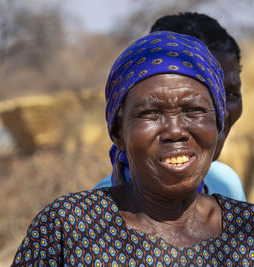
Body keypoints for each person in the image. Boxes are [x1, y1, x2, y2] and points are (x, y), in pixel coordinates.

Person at [12, 31, 254, 266]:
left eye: (194, 110)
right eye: (150, 113)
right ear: (117, 132)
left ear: (219, 124)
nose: (175, 131)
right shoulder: (69, 227)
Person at [95, 12, 246, 201]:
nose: (220, 113)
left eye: (230, 95)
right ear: (118, 129)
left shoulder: (227, 185)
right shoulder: (95, 215)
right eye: (153, 111)